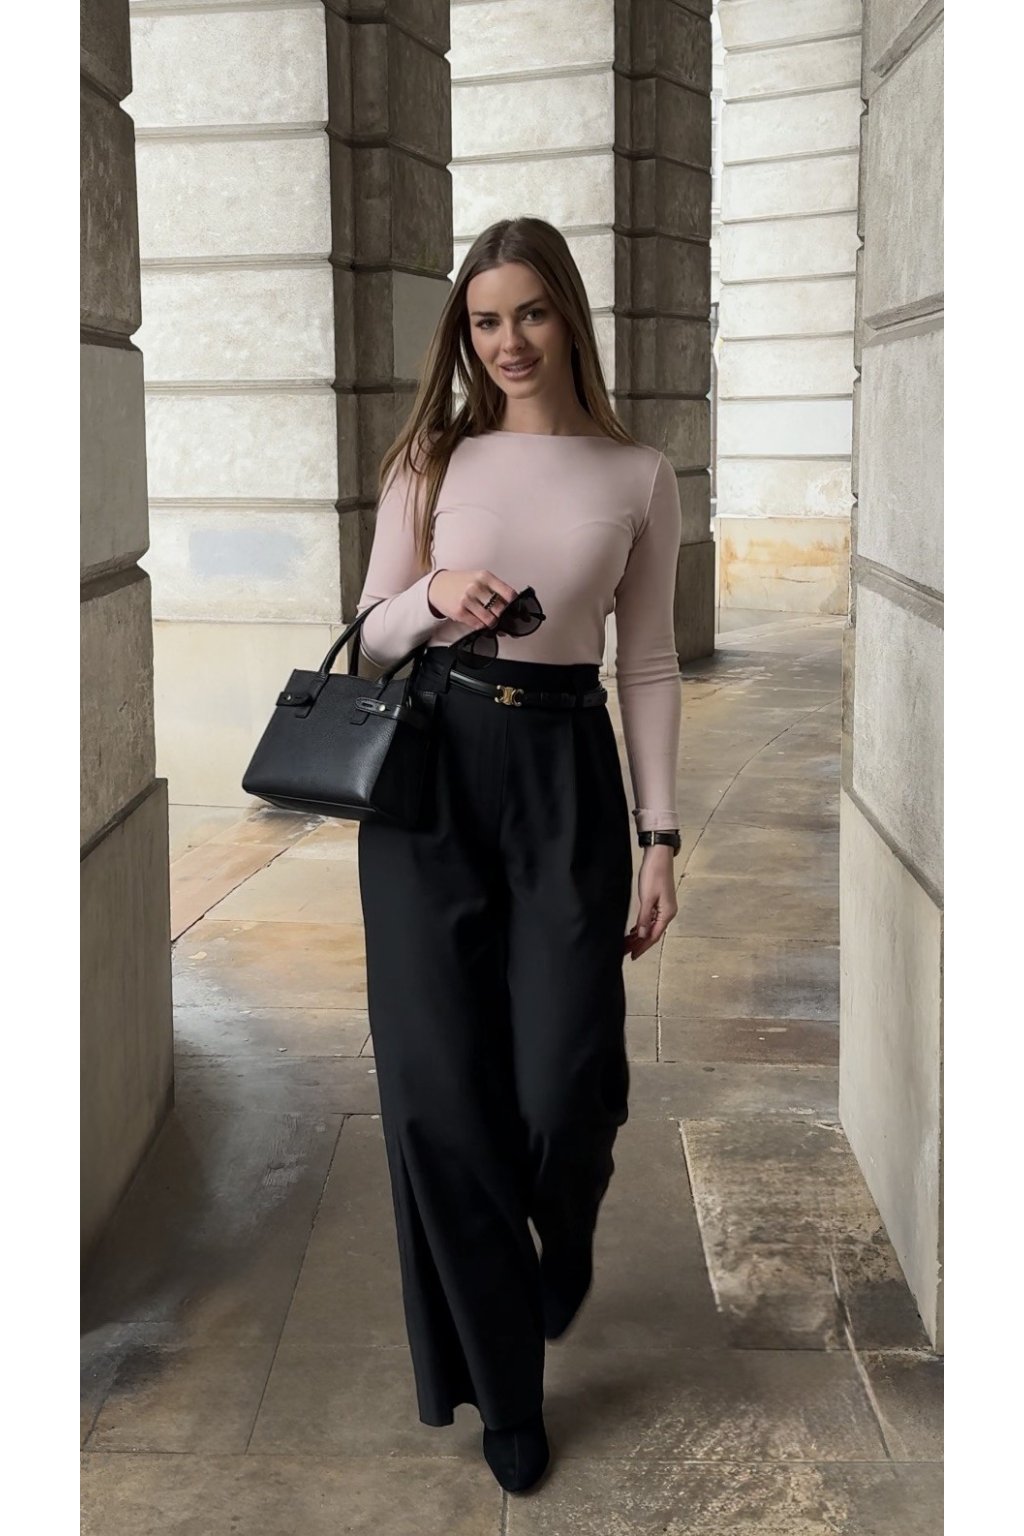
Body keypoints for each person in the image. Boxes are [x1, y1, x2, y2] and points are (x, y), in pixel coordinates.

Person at [354, 216, 682, 1495]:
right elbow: (368, 635)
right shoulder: (430, 460)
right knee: (440, 1091)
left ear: (568, 318)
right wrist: (431, 597)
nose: (509, 342)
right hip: (429, 775)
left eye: (531, 314)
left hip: (565, 775)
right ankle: (504, 1387)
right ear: (465, 333)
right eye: (486, 321)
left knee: (562, 1081)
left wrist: (660, 836)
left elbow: (646, 664)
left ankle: (570, 1222)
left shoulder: (636, 474)